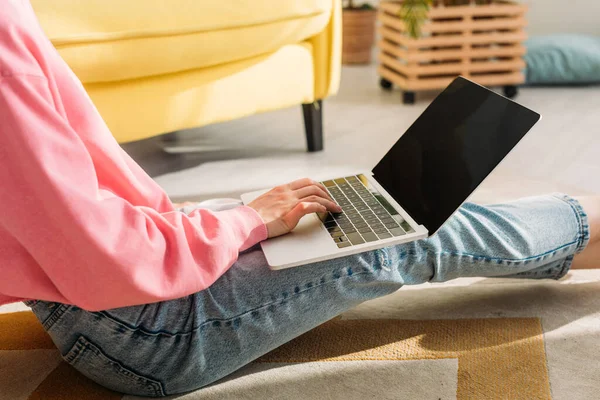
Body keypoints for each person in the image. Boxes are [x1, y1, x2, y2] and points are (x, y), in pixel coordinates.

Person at [1, 1, 598, 397]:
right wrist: (242, 221)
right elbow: (112, 262)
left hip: (92, 295)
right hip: (140, 330)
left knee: (367, 210)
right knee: (408, 233)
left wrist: (211, 227)